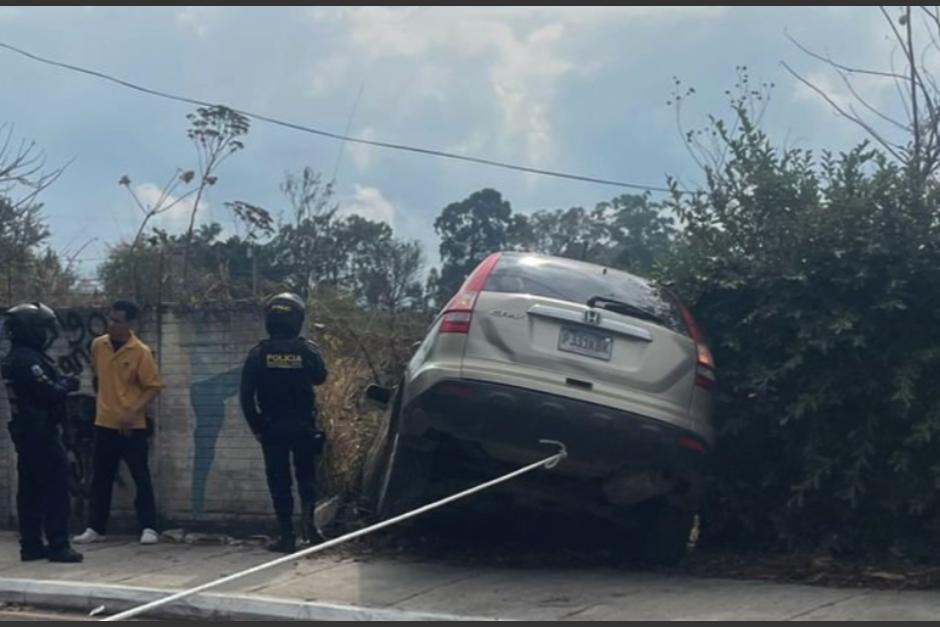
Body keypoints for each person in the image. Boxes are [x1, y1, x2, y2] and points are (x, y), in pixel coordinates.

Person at [239, 292, 328, 553]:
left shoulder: (258, 353)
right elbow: (320, 377)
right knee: (307, 479)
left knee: (279, 483)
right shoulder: (307, 350)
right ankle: (311, 530)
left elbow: (246, 396)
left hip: (272, 428)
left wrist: (257, 427)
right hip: (304, 426)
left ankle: (287, 537)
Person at [73, 300, 162, 546]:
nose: (111, 325)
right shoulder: (98, 345)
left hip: (132, 426)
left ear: (130, 323)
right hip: (104, 422)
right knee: (101, 477)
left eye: (117, 321)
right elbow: (97, 377)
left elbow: (153, 387)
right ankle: (95, 527)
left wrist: (132, 411)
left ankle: (148, 526)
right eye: (110, 319)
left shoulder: (140, 351)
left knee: (140, 476)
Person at [1, 302, 83, 562]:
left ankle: (32, 544)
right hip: (40, 431)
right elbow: (48, 392)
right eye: (41, 328)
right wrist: (67, 385)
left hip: (26, 432)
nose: (46, 334)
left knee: (30, 490)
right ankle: (58, 544)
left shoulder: (16, 357)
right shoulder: (28, 360)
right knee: (55, 488)